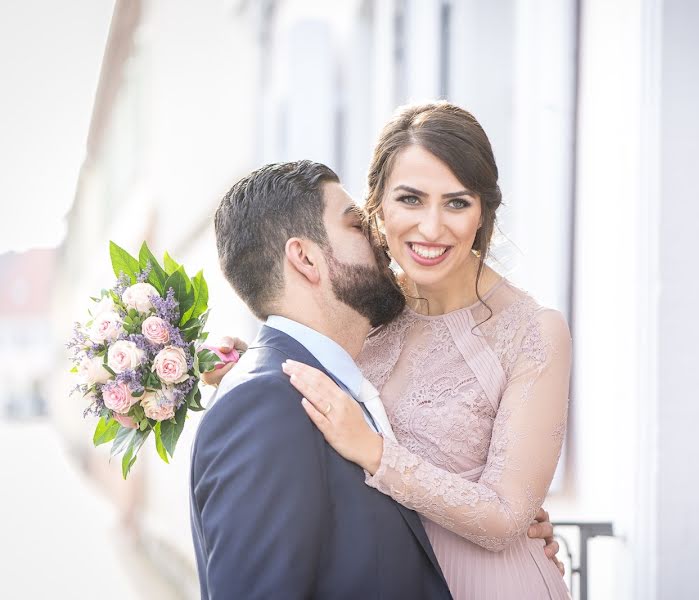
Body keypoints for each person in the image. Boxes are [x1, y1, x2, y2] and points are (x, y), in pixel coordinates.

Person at [209, 101, 572, 599]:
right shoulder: (366, 305)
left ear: (484, 211)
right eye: (411, 199)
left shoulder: (533, 331)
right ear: (376, 203)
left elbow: (508, 517)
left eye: (457, 202)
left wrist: (377, 454)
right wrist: (238, 362)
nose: (431, 228)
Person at [190, 160, 451, 599]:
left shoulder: (326, 385)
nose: (382, 238)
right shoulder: (265, 405)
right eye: (356, 225)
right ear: (306, 258)